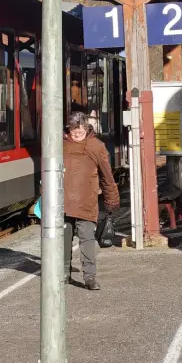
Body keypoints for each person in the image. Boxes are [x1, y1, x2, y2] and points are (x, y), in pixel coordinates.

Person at [62, 110, 119, 290]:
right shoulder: (60, 145)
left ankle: (89, 277)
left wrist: (112, 200)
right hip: (63, 202)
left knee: (87, 239)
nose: (77, 134)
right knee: (63, 240)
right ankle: (63, 273)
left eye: (80, 131)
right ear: (68, 129)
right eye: (73, 131)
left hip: (86, 200)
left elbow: (107, 176)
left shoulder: (96, 146)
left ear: (87, 128)